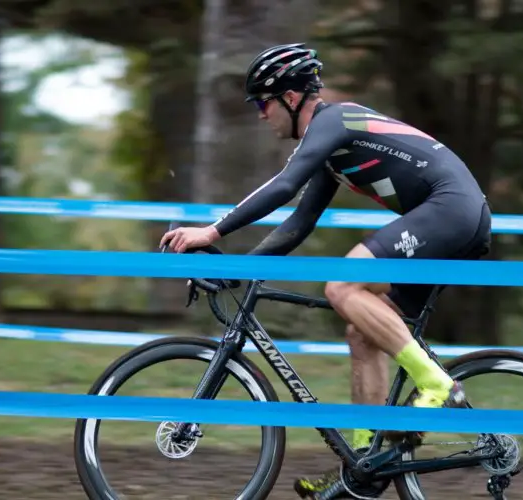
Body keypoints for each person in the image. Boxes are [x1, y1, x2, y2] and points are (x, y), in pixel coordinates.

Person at [160, 43, 492, 499]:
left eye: (263, 103)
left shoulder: (335, 120)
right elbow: (297, 224)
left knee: (342, 284)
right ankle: (365, 468)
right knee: (362, 330)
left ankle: (436, 383)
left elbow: (284, 185)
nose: (261, 115)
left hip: (452, 210)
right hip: (450, 216)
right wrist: (239, 268)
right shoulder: (332, 147)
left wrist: (213, 232)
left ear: (291, 99)